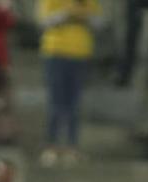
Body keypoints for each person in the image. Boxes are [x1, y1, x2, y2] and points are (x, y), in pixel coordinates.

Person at [37, 0, 102, 166]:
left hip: (80, 54)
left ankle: (72, 147)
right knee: (56, 101)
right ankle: (51, 146)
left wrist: (84, 16)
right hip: (56, 52)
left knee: (75, 103)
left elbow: (100, 23)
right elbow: (44, 21)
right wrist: (67, 13)